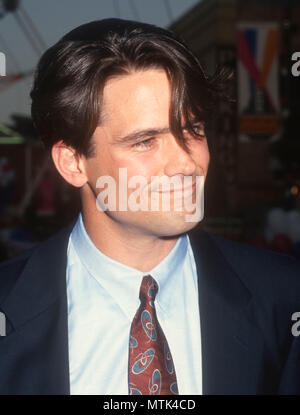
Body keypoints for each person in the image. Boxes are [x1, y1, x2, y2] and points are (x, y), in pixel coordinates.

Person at [0, 18, 300, 395]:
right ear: (73, 163)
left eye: (192, 129)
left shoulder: (284, 296)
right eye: (145, 141)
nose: (186, 164)